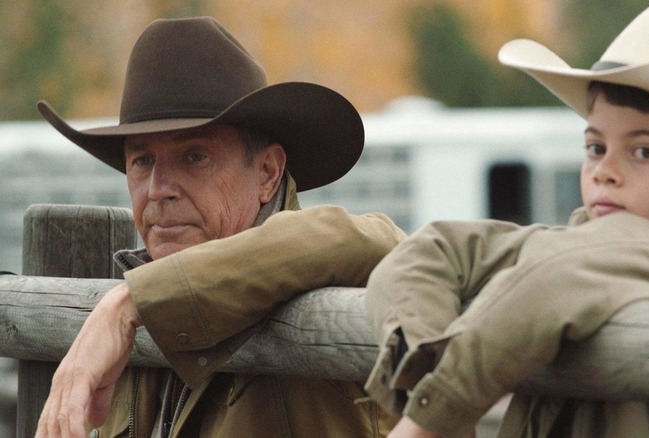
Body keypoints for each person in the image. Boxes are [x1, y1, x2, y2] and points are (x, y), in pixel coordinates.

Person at [363, 1, 649, 437]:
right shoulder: (584, 249)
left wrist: (431, 420)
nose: (605, 171)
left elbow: (554, 278)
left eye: (644, 152)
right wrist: (426, 383)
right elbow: (432, 250)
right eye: (596, 147)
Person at [34, 17, 406, 438]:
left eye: (194, 156)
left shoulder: (319, 270)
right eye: (141, 160)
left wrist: (130, 303)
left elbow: (384, 242)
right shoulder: (136, 316)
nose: (158, 190)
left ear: (267, 173)